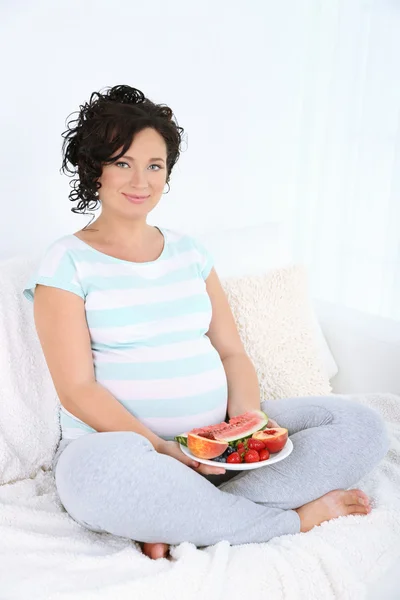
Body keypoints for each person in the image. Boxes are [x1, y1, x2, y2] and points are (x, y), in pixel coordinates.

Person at [23, 84, 390, 561]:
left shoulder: (190, 252)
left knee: (360, 424)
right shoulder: (66, 262)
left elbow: (233, 352)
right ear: (95, 170)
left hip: (220, 445)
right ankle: (294, 519)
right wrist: (159, 449)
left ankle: (185, 520)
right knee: (103, 481)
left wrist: (246, 428)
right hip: (122, 451)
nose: (141, 180)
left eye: (154, 166)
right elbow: (77, 389)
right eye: (123, 163)